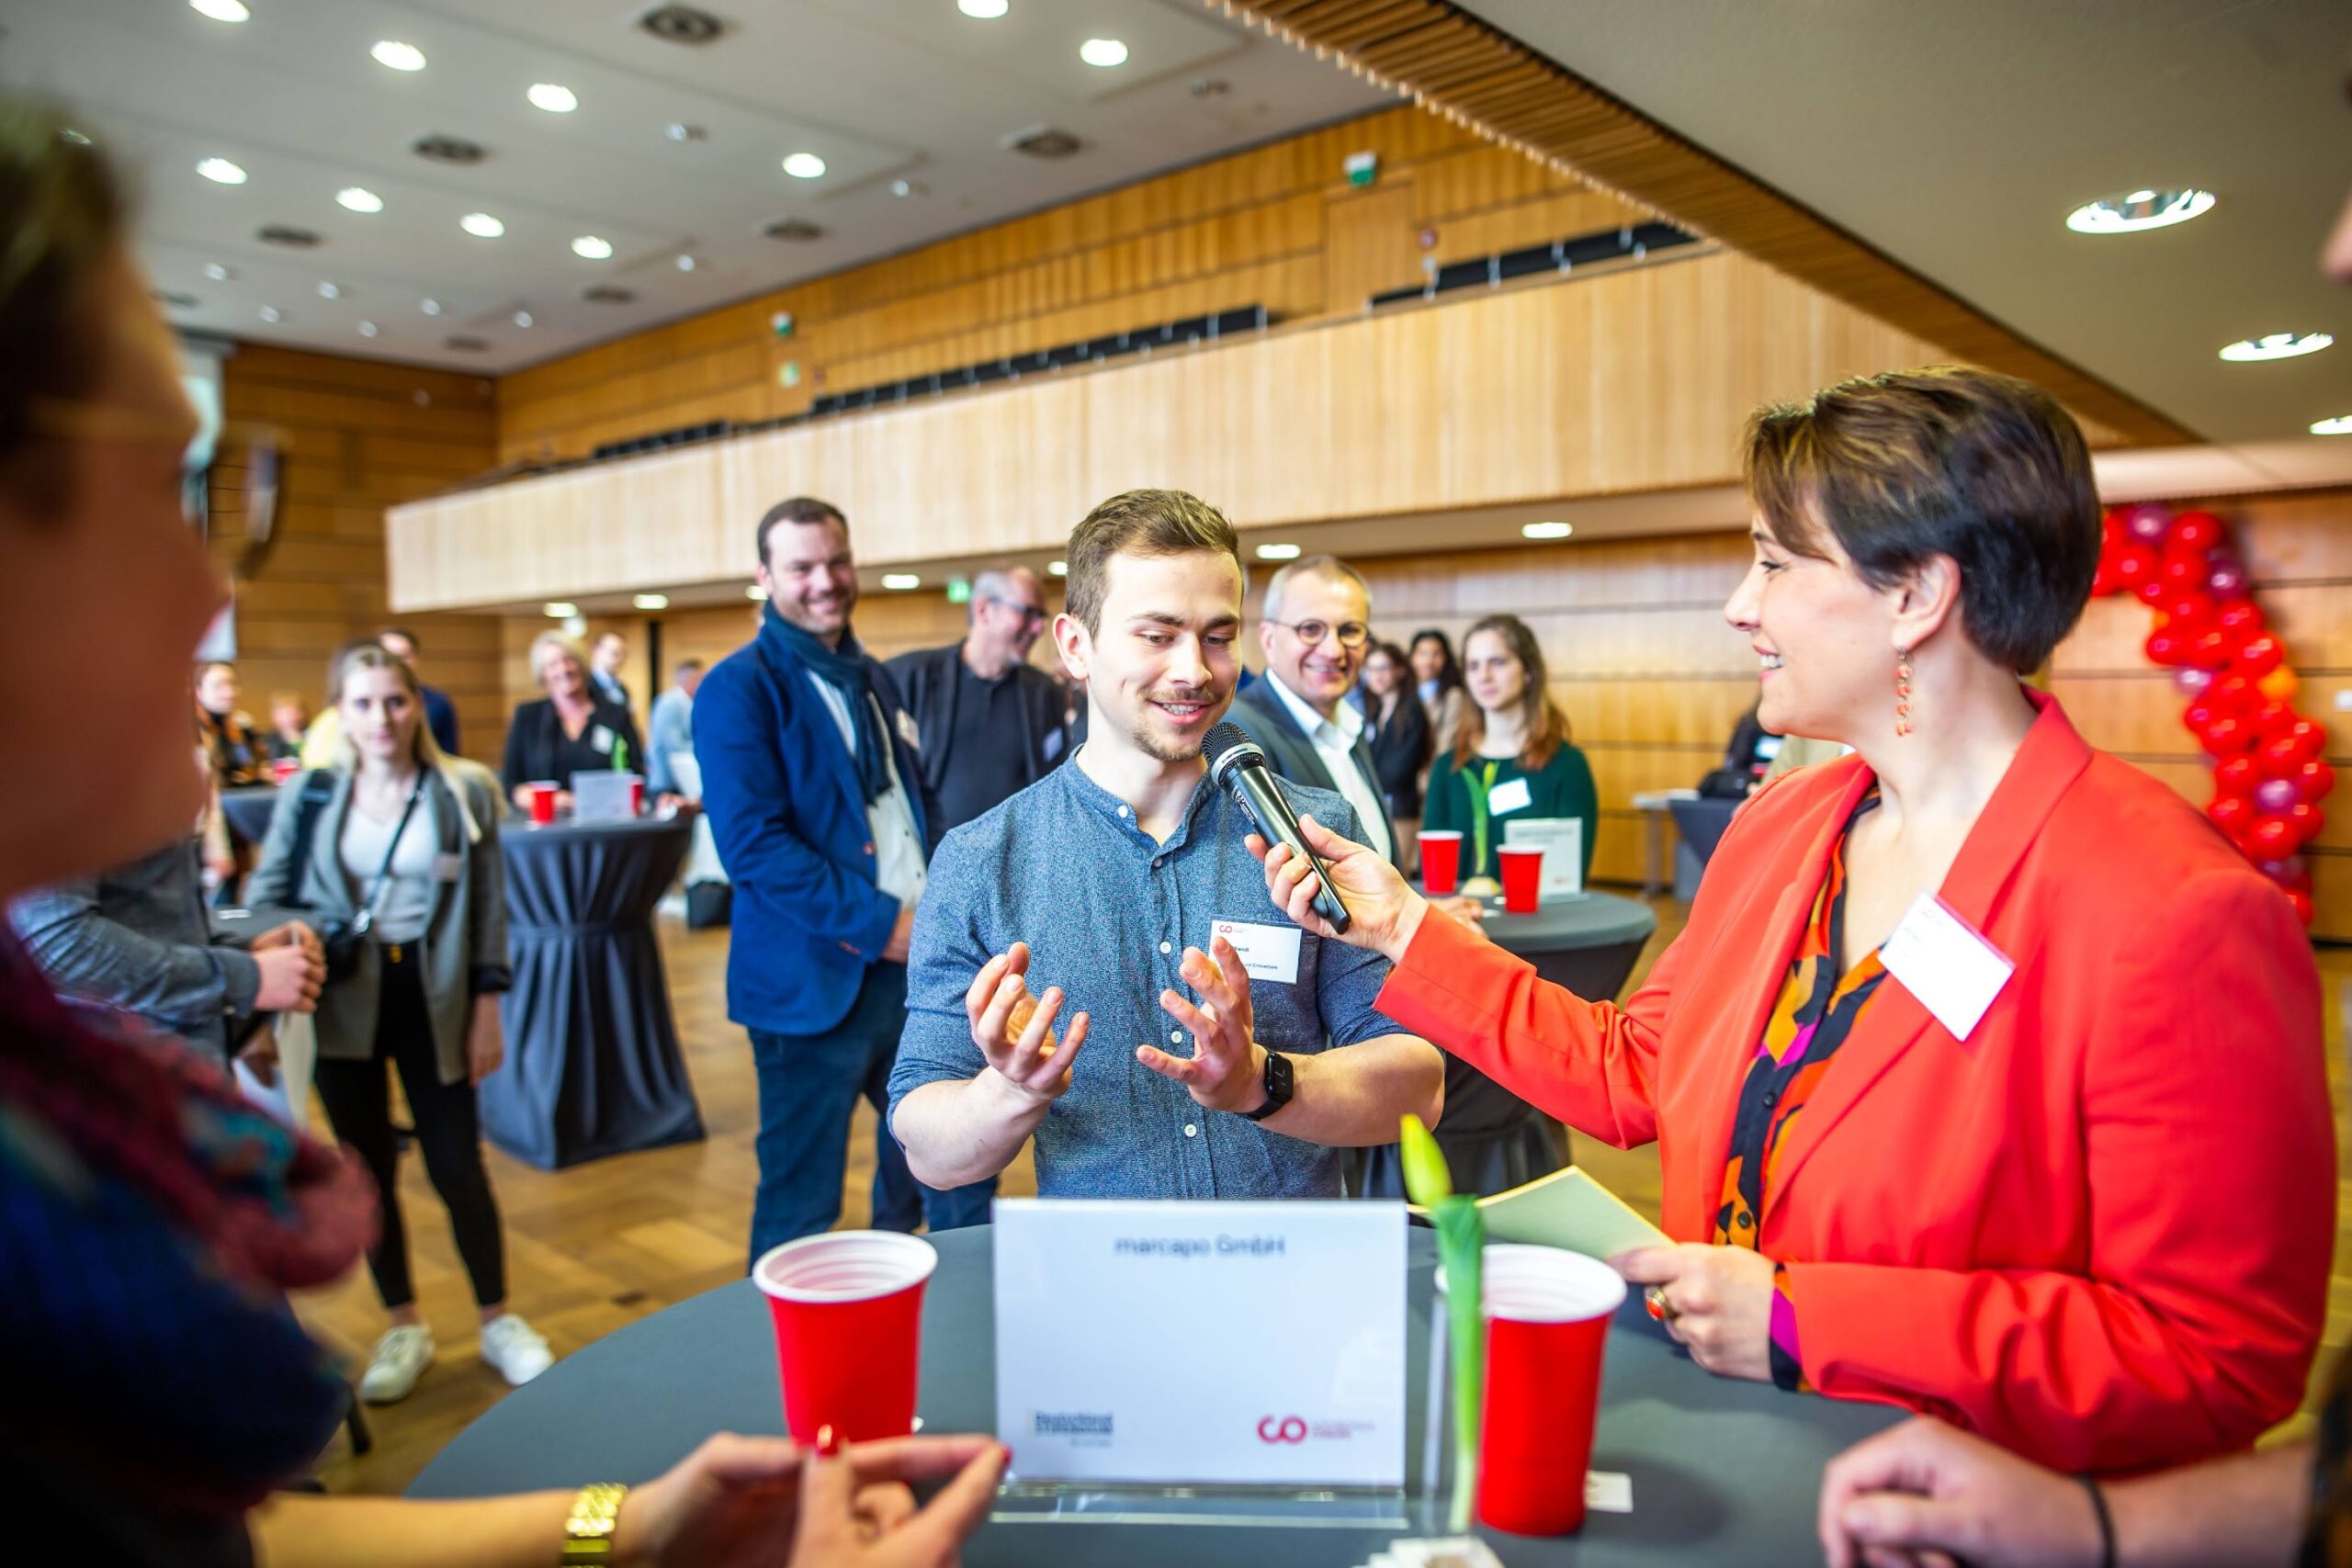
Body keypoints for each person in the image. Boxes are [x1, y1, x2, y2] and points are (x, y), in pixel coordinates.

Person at [0, 98, 1001, 1567]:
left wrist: (628, 1525)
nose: (211, 591)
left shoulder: (54, 1134)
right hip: (822, 974)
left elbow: (235, 1538)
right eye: (168, 490)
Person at [1252, 367, 2331, 1475]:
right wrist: (1403, 931)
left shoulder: (2174, 910)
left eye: (1772, 561)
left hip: (1955, 1507)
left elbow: (2215, 1357)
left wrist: (1805, 1318)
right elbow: (1637, 1071)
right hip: (1741, 1459)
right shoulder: (1786, 827)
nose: (1739, 603)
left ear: (1915, 593)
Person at [888, 490, 1443, 1199]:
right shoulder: (981, 859)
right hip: (1105, 1287)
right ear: (1074, 645)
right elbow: (929, 1151)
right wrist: (1011, 1090)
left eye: (1218, 635)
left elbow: (1418, 1084)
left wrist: (1260, 1081)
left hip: (1294, 1276)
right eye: (1157, 635)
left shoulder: (1312, 832)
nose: (1196, 671)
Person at [249, 641, 551, 1404]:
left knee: (458, 1163)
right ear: (339, 712)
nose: (381, 717)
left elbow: (487, 907)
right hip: (342, 997)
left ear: (417, 705)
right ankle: (404, 1323)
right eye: (363, 703)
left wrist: (489, 1006)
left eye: (395, 700)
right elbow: (268, 894)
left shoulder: (463, 789)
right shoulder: (313, 793)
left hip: (435, 991)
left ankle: (497, 1319)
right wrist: (303, 934)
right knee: (367, 1166)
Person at [696, 496, 990, 1262]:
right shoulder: (739, 688)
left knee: (957, 1172)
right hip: (813, 985)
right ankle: (790, 1366)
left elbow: (913, 798)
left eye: (836, 561)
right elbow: (754, 847)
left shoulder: (873, 678)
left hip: (918, 972)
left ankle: (964, 1333)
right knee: (800, 1202)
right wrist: (885, 924)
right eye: (802, 567)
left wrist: (941, 909)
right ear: (765, 577)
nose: (825, 581)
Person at [9, 826, 322, 1069]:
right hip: (132, 1078)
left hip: (180, 1065)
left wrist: (244, 951)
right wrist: (241, 977)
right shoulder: (75, 755)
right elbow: (57, 945)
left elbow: (147, 911)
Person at [1227, 554, 1401, 869]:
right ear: (1268, 638)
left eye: (1349, 630)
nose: (1333, 650)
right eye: (1310, 629)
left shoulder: (1349, 726)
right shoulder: (1241, 733)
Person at [885, 566, 1071, 838]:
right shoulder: (911, 678)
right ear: (983, 610)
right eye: (1028, 612)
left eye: (1041, 616)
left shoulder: (1044, 693)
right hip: (936, 864)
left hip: (1017, 866)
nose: (1039, 628)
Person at [1420, 615, 1598, 888]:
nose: (1484, 677)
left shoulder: (1568, 766)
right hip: (1460, 924)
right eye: (1473, 666)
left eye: (1498, 662)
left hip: (1539, 924)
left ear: (1528, 671)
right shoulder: (1449, 768)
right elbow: (1431, 874)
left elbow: (1571, 873)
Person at [501, 630, 645, 814]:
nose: (563, 670)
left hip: (605, 822)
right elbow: (512, 785)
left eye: (569, 660)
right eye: (552, 665)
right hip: (547, 828)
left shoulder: (616, 714)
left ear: (582, 664)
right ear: (543, 674)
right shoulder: (528, 716)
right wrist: (558, 800)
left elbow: (635, 772)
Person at [1357, 638, 1432, 830]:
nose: (1376, 676)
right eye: (1371, 669)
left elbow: (1400, 768)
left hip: (1401, 807)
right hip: (1378, 804)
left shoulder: (1410, 711)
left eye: (1383, 668)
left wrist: (1368, 781)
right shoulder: (1376, 710)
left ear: (1400, 670)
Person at [378, 625, 460, 757]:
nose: (397, 663)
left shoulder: (438, 702)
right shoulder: (358, 703)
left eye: (404, 656)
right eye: (389, 656)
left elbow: (449, 754)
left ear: (416, 659)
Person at [195, 659, 267, 786]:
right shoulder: (190, 732)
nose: (230, 693)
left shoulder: (242, 726)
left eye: (233, 684)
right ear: (198, 692)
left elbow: (257, 765)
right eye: (218, 686)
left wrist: (259, 774)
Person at [645, 656, 703, 800]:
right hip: (666, 783)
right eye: (701, 679)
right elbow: (674, 745)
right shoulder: (670, 703)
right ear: (689, 679)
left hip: (680, 780)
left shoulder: (688, 703)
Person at [1408, 627, 1468, 753]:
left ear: (1446, 658)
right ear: (1412, 657)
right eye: (1423, 654)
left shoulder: (1453, 696)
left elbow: (1446, 743)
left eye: (1436, 654)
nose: (1429, 661)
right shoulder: (1405, 691)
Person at [264, 689, 310, 764]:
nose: (288, 718)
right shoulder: (268, 741)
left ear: (302, 713)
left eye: (292, 712)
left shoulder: (313, 737)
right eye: (282, 713)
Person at [590, 629, 632, 709]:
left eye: (624, 654)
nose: (621, 659)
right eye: (615, 653)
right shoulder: (585, 687)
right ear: (596, 652)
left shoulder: (622, 688)